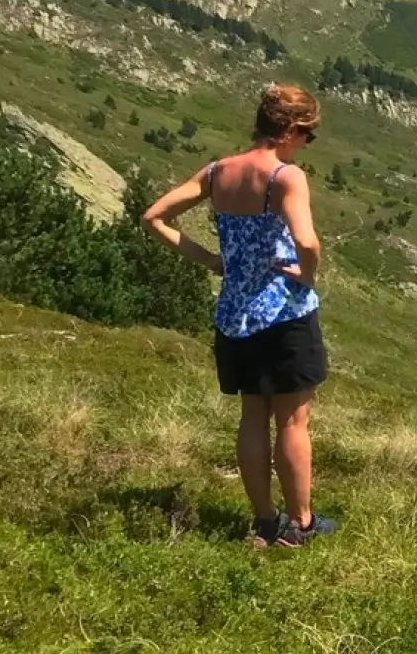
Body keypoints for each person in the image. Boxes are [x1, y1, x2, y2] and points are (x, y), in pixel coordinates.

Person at [142, 83, 334, 548]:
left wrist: (211, 260)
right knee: (292, 421)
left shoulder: (217, 172)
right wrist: (306, 275)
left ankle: (266, 521)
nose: (308, 145)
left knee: (252, 417)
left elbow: (154, 217)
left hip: (234, 315)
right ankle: (301, 525)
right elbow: (307, 242)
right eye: (308, 135)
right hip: (283, 314)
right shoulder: (284, 178)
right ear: (290, 130)